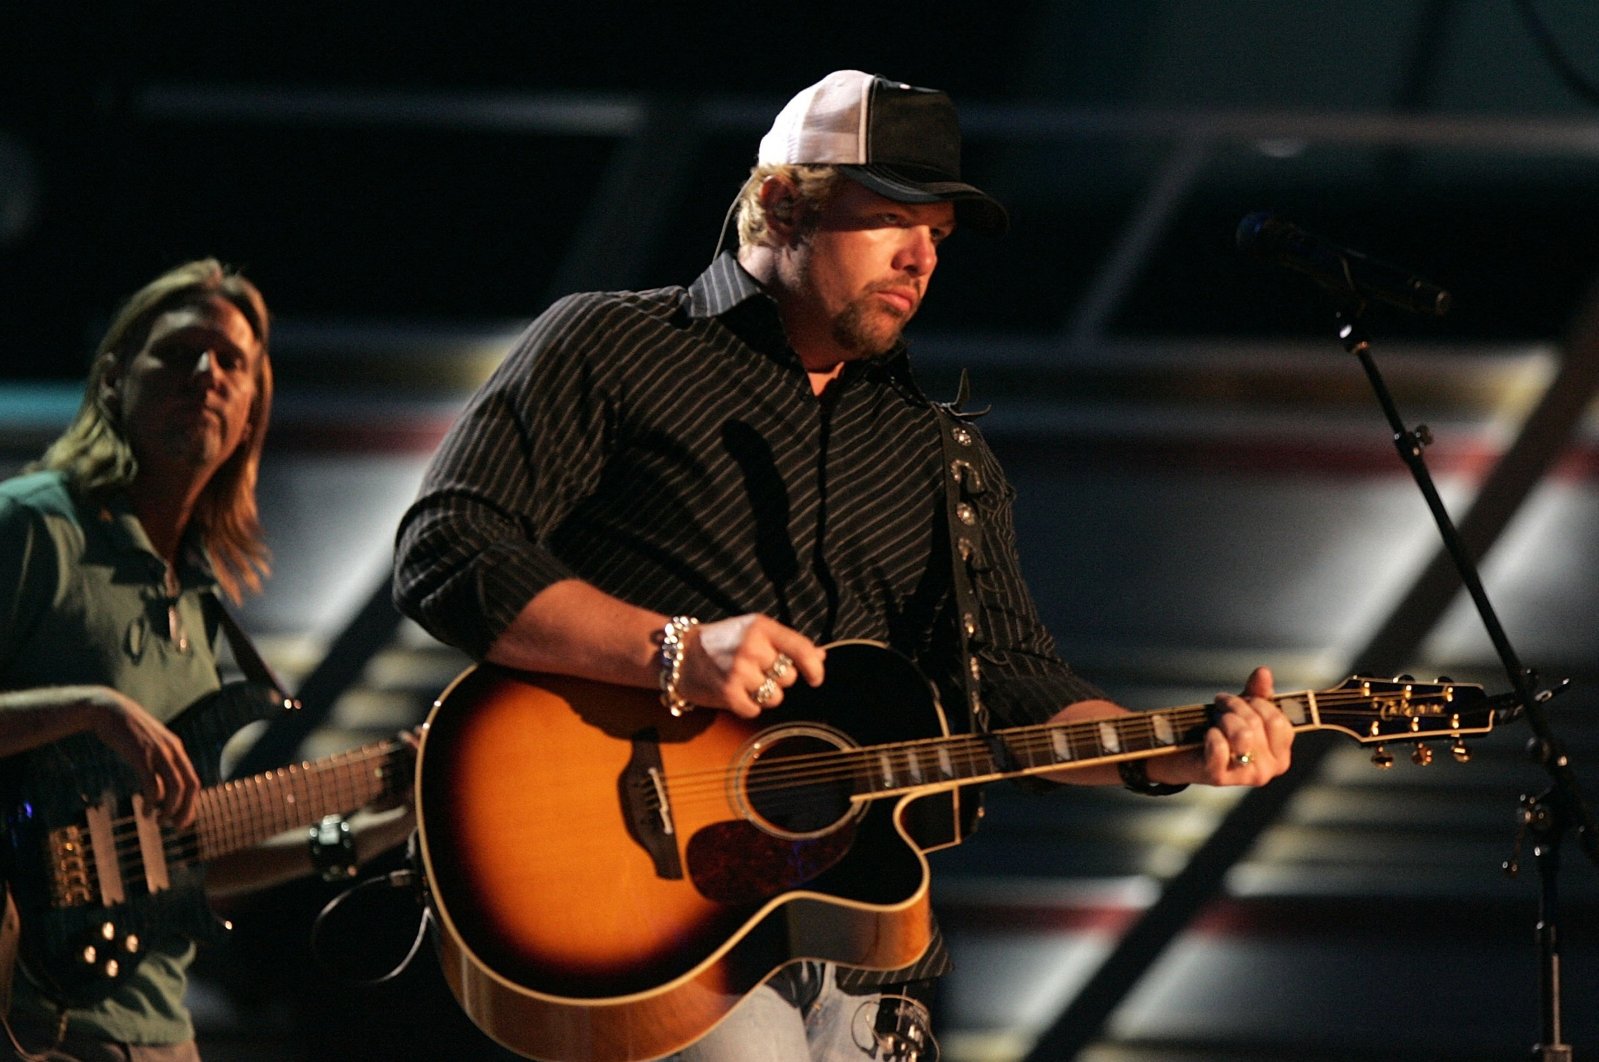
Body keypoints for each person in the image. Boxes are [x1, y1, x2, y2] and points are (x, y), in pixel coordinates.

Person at [393, 70, 1295, 1061]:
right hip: (654, 919)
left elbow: (1009, 683)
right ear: (782, 202)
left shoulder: (935, 450)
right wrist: (676, 650)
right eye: (890, 220)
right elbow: (446, 544)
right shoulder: (613, 343)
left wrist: (1164, 754)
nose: (920, 257)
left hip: (868, 960)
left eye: (938, 235)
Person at [0, 260, 414, 1061]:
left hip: (158, 1033)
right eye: (181, 351)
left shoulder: (198, 600)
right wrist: (93, 708)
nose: (207, 375)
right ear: (116, 377)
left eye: (233, 363)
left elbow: (184, 857)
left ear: (252, 409)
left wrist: (365, 833)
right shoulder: (31, 529)